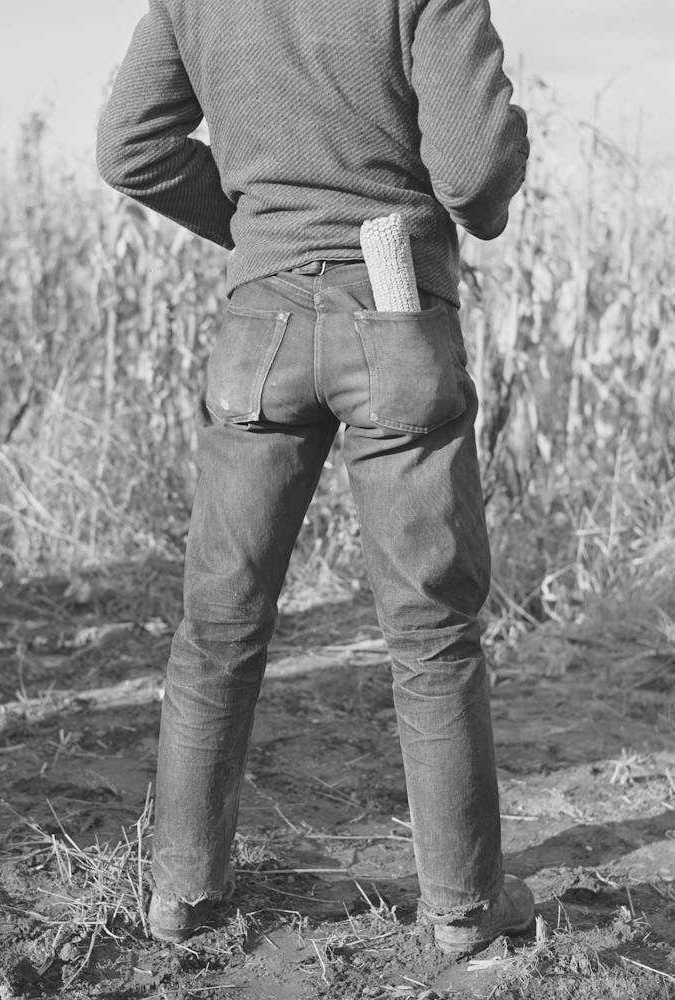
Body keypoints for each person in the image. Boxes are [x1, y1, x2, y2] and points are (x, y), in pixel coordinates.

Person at [97, 0, 534, 956]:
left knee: (217, 622)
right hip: (396, 319)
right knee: (432, 630)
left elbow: (131, 147)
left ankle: (183, 895)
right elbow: (473, 166)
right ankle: (462, 912)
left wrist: (264, 232)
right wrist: (480, 211)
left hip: (260, 328)